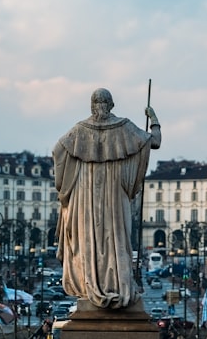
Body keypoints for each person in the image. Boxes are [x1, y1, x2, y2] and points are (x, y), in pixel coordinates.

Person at [52, 88, 161, 309]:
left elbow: (57, 151)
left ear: (92, 105)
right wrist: (154, 119)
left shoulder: (79, 131)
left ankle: (91, 284)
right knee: (117, 239)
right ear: (111, 105)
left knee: (88, 242)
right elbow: (155, 141)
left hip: (86, 195)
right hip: (114, 195)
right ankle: (120, 286)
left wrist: (66, 188)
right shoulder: (124, 127)